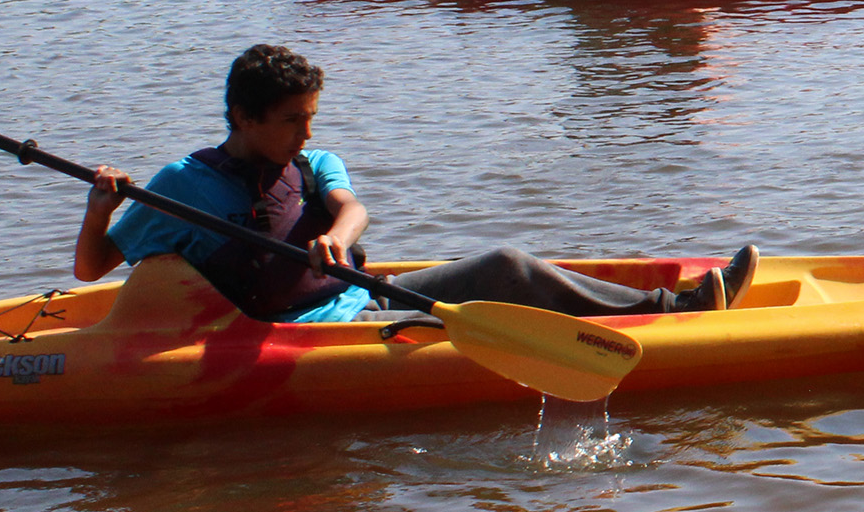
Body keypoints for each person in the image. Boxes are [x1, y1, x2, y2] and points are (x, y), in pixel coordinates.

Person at [73, 44, 756, 321]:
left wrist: (337, 239)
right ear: (244, 119)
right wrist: (99, 207)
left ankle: (669, 308)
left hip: (365, 304)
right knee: (507, 269)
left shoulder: (311, 165)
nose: (306, 136)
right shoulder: (181, 187)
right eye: (291, 122)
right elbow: (91, 268)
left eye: (311, 119)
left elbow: (352, 209)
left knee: (507, 264)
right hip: (305, 340)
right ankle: (674, 315)